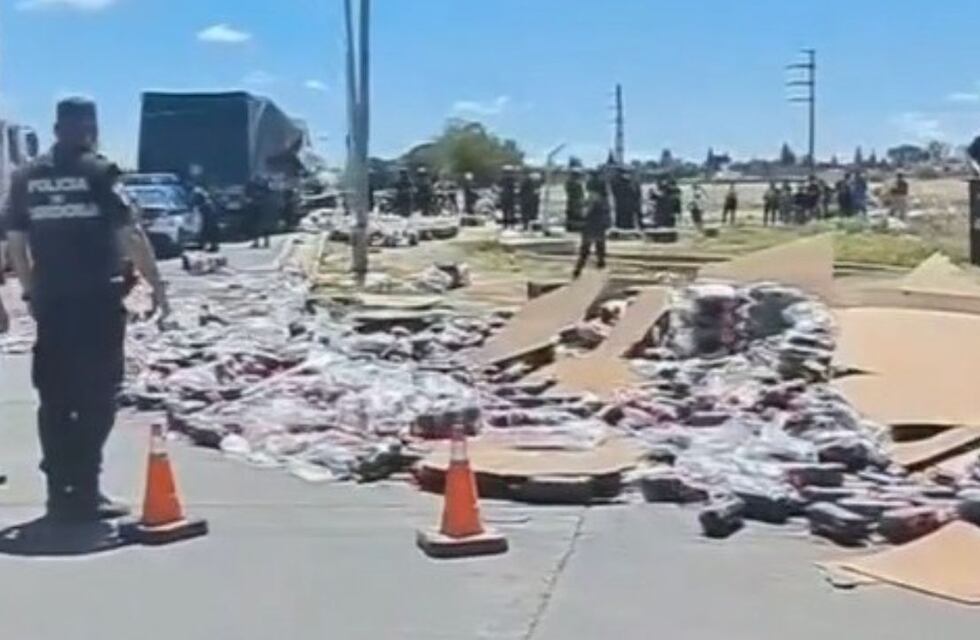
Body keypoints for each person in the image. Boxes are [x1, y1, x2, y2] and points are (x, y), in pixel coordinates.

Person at [4, 97, 170, 523]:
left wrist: (30, 292)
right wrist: (158, 287)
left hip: (53, 304)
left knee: (55, 397)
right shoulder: (100, 172)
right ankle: (86, 485)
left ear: (56, 128)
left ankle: (61, 491)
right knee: (99, 394)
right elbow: (129, 233)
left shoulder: (26, 177)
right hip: (97, 300)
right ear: (90, 128)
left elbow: (16, 244)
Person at [573, 172, 611, 278]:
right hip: (600, 225)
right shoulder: (604, 200)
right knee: (600, 249)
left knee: (585, 250)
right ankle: (601, 270)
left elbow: (585, 212)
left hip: (590, 225)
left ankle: (577, 271)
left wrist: (581, 208)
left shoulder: (592, 198)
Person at [189, 168, 220, 253]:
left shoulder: (198, 191)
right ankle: (210, 244)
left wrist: (191, 207)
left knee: (206, 228)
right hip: (208, 211)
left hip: (206, 211)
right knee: (208, 228)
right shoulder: (203, 191)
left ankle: (208, 244)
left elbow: (193, 202)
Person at [564, 168, 585, 232]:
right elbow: (570, 191)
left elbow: (581, 193)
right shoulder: (572, 183)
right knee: (572, 213)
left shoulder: (575, 183)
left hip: (575, 200)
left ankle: (574, 227)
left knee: (576, 214)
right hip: (573, 200)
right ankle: (571, 227)